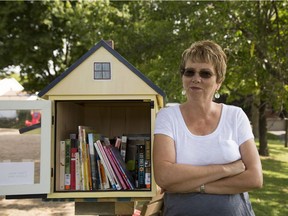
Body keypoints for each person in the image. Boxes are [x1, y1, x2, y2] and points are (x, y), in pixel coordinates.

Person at [153, 40, 263, 216]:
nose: (196, 78)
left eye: (205, 73)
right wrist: (226, 169)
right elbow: (164, 177)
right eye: (190, 72)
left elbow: (255, 178)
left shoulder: (235, 116)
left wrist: (198, 186)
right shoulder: (167, 117)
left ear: (218, 81)